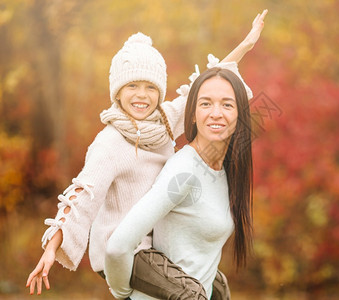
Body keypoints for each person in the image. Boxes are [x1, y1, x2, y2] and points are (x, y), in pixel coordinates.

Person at [26, 9, 267, 297]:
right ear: (117, 91)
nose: (142, 96)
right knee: (190, 293)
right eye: (132, 86)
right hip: (122, 247)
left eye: (150, 87)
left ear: (160, 91)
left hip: (151, 244)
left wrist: (245, 46)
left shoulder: (163, 121)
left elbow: (204, 87)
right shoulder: (110, 143)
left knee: (217, 287)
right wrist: (52, 245)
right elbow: (83, 196)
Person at [105, 66, 254, 300]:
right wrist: (123, 294)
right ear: (193, 114)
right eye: (206, 104)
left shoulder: (225, 171)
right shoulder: (184, 171)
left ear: (240, 116)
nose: (216, 113)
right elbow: (118, 246)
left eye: (227, 104)